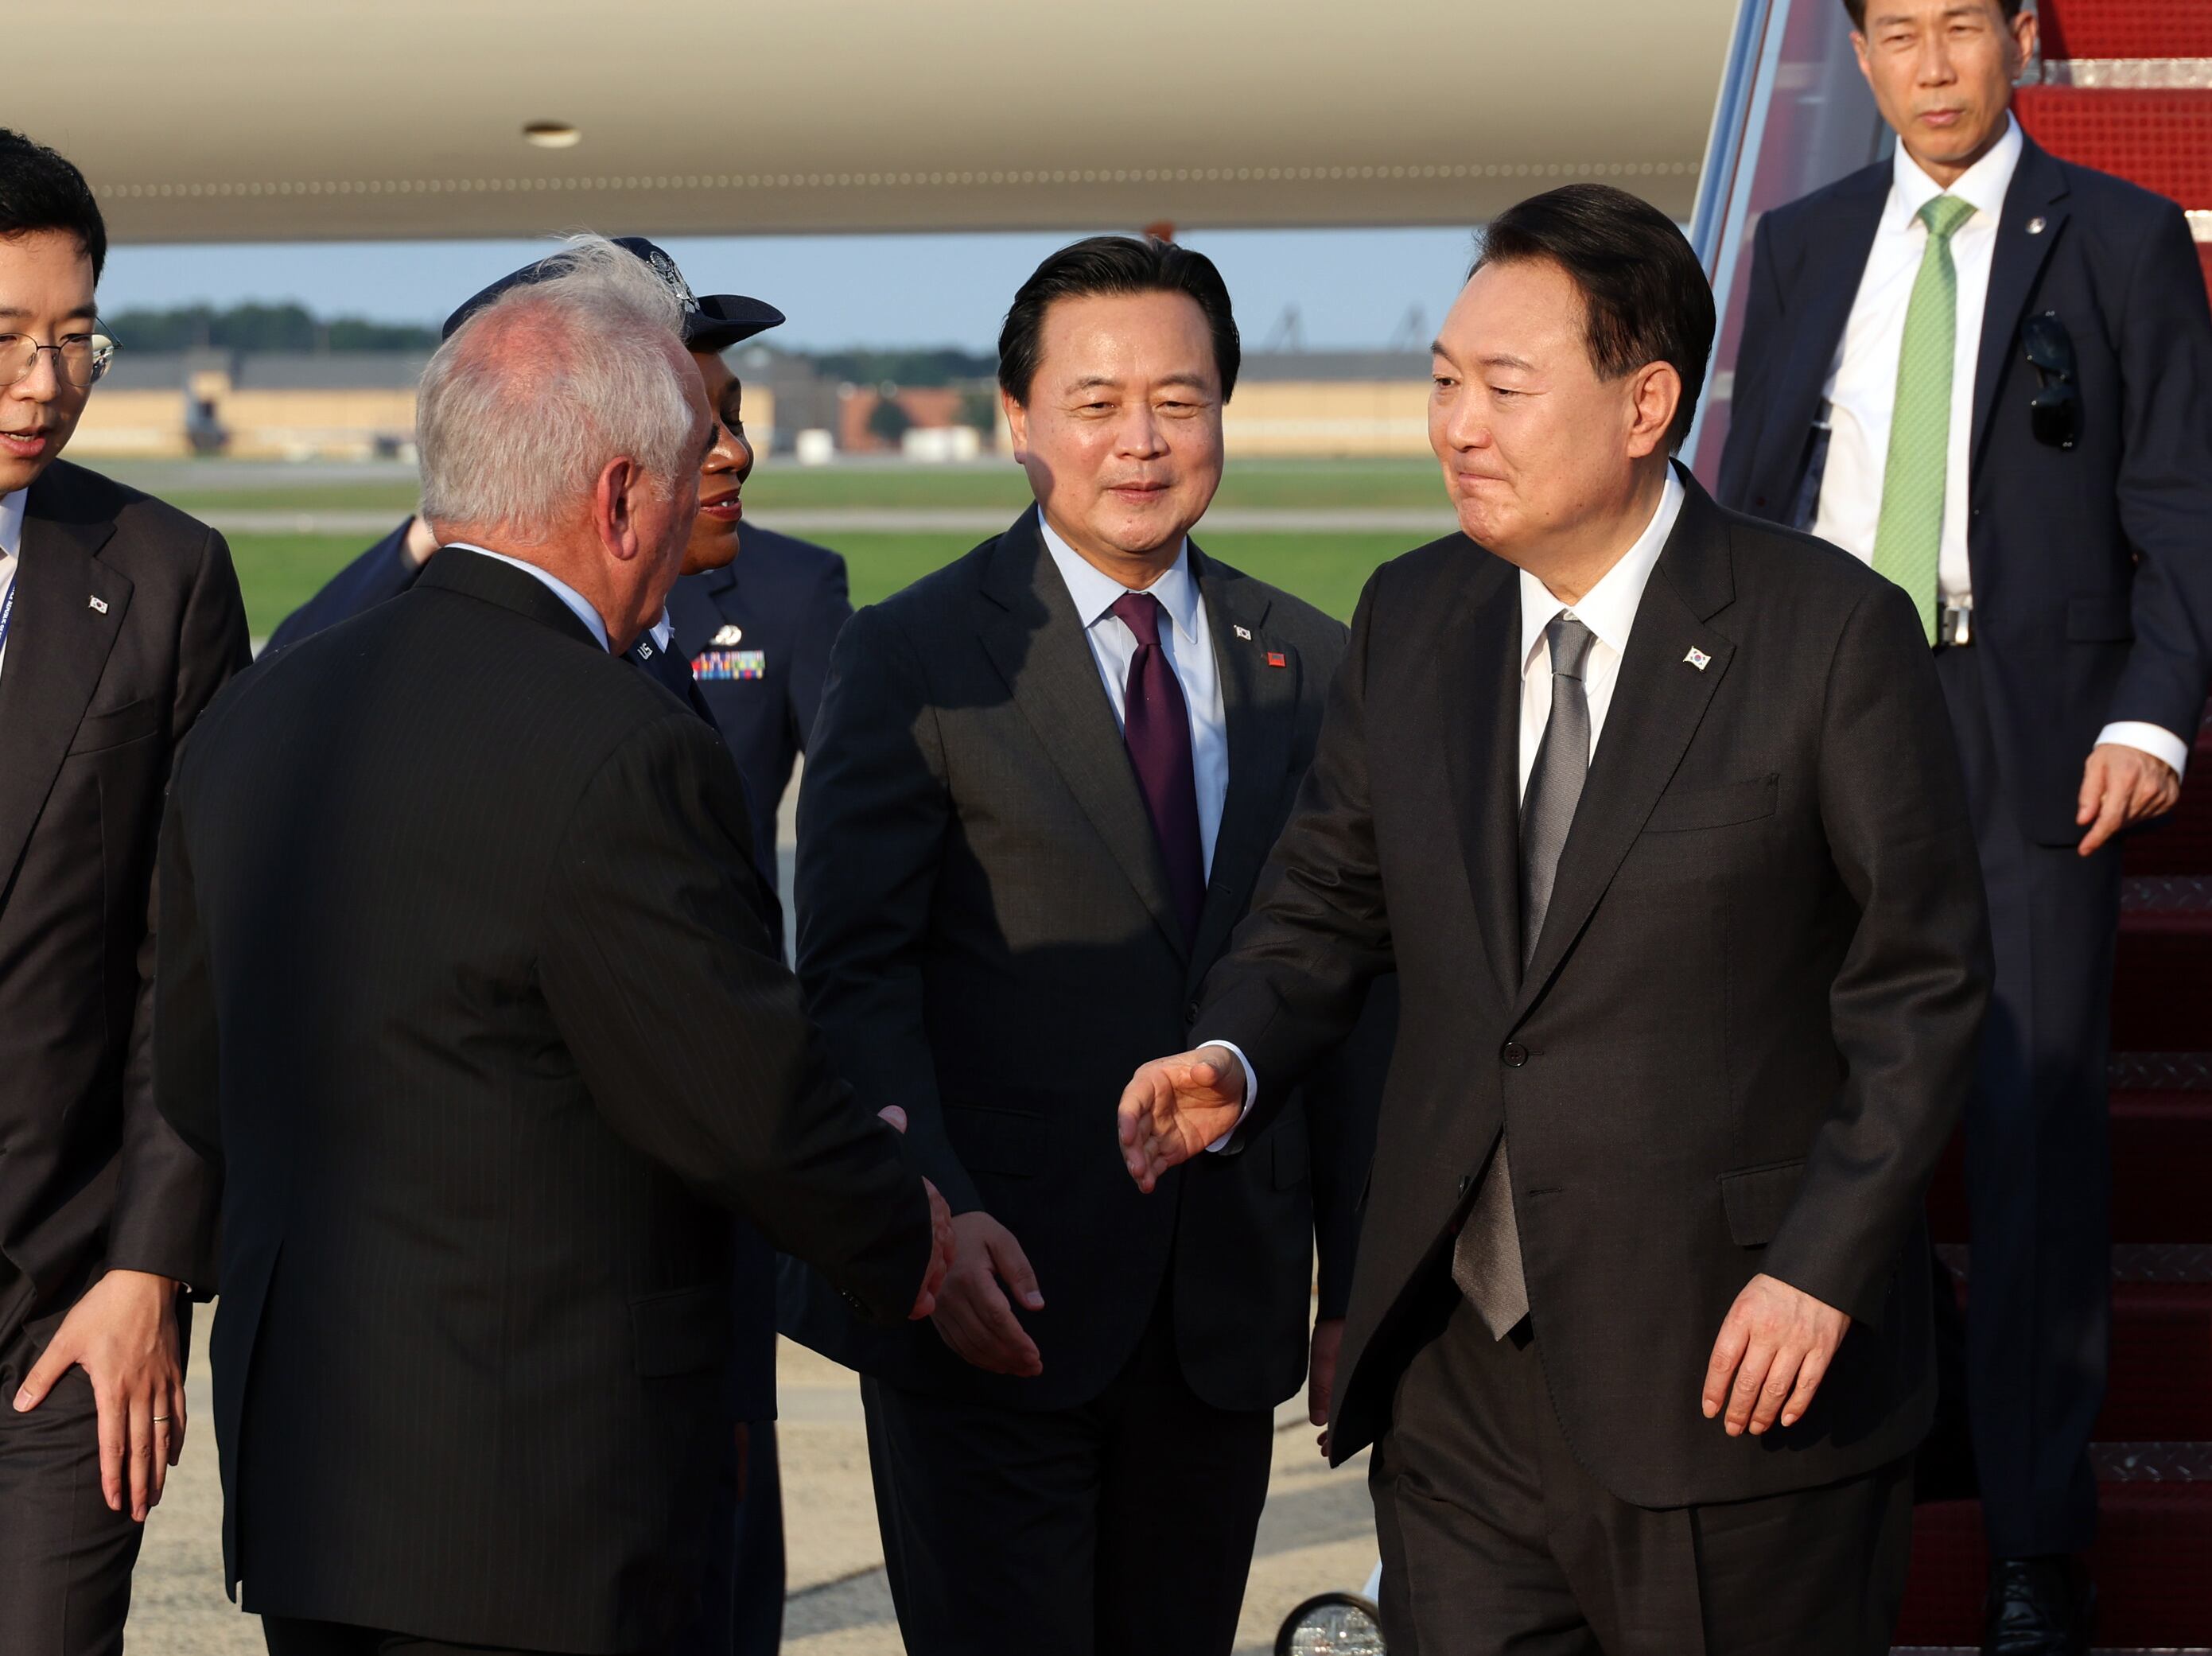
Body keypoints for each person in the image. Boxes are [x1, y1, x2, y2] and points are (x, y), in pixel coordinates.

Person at [1118, 185, 1992, 1654]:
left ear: (1645, 403)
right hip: (1458, 1381)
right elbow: (1323, 900)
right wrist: (1235, 1053)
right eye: (1443, 383)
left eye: (1504, 389)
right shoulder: (1414, 618)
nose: (1457, 427)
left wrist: (1819, 1263)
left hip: (1731, 1365)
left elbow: (1924, 984)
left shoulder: (1826, 632)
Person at [152, 236, 954, 1656]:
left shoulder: (256, 714)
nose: (719, 482)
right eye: (692, 460)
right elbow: (740, 1102)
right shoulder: (625, 745)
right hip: (545, 1501)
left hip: (317, 1497)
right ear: (621, 495)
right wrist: (910, 1238)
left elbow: (198, 1082)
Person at [784, 235, 1386, 1655]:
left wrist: (1354, 1285)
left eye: (1179, 401)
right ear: (1018, 418)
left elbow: (1356, 994)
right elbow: (854, 981)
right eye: (1097, 401)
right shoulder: (917, 656)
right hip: (990, 1302)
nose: (1141, 441)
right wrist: (930, 1216)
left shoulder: (1312, 661)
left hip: (1218, 1317)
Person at [1715, 4, 2212, 1646]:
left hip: (2026, 718)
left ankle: (2032, 1546)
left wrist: (2149, 713)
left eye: (1958, 29)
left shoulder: (2121, 238)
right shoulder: (1796, 241)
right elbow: (1748, 494)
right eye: (1895, 35)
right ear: (1855, 56)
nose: (1929, 68)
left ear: (2015, 41)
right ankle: (1834, 1472)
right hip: (1818, 710)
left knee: (2029, 1134)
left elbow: (2182, 496)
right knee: (1786, 1100)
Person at [0, 129, 251, 1656]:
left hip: (61, 1317)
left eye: (74, 338)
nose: (45, 383)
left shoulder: (164, 575)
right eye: (5, 338)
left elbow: (193, 960)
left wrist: (150, 1264)